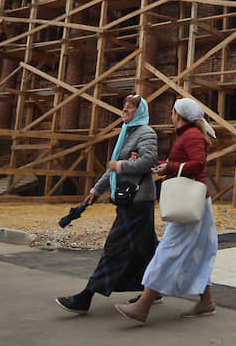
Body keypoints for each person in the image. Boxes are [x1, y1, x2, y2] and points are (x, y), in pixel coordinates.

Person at [116, 97, 217, 325]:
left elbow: (198, 164)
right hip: (196, 203)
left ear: (178, 115)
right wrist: (160, 164)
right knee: (194, 253)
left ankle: (142, 305)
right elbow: (181, 163)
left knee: (168, 250)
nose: (170, 116)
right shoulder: (189, 134)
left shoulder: (190, 135)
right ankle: (206, 301)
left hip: (190, 203)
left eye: (172, 112)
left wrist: (169, 167)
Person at [55, 95, 158, 314]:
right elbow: (113, 168)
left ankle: (86, 296)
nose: (125, 109)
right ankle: (155, 288)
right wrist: (96, 190)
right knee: (146, 250)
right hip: (130, 199)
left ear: (140, 111)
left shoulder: (146, 132)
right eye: (124, 105)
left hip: (138, 201)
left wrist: (120, 165)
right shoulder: (126, 132)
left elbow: (148, 161)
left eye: (130, 106)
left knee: (115, 247)